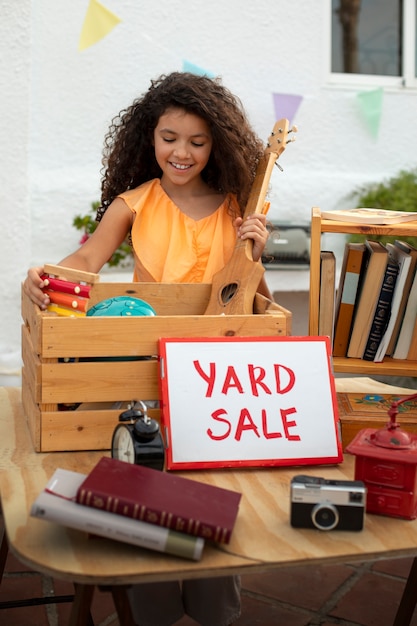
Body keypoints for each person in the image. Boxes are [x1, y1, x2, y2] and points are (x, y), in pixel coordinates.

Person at [24, 71, 272, 626]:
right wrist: (42, 276)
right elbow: (86, 264)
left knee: (211, 483)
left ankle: (214, 607)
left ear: (218, 145)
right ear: (149, 137)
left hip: (214, 367)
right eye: (168, 137)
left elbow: (254, 299)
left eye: (197, 141)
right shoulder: (134, 204)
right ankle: (153, 608)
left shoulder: (239, 209)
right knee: (148, 473)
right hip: (146, 360)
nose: (180, 152)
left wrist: (255, 249)